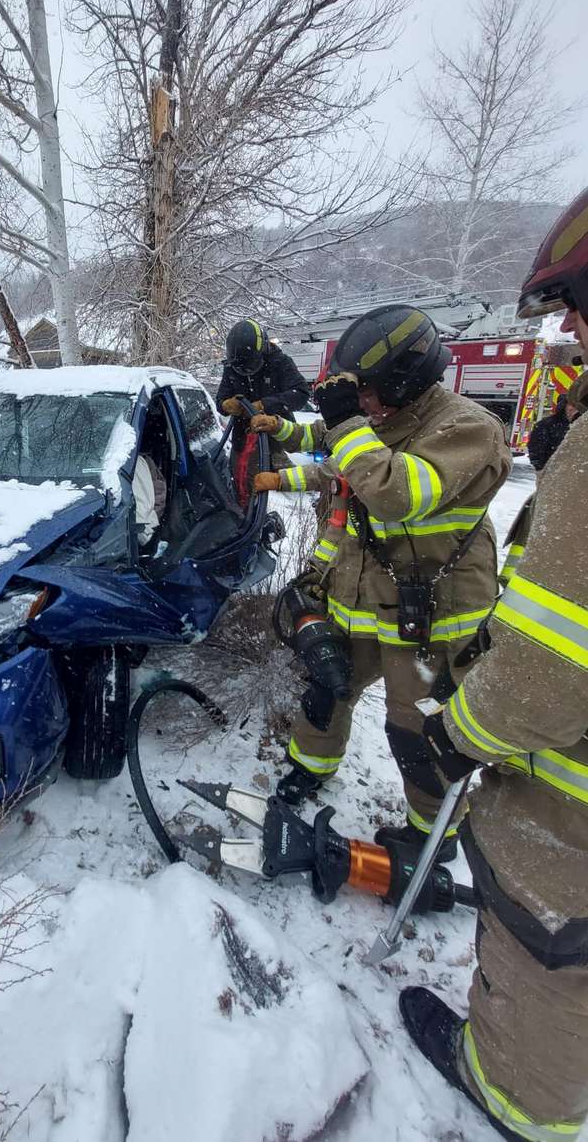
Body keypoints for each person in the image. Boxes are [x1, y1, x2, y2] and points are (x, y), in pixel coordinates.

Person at [399, 188, 588, 1142]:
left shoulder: (464, 424)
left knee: (547, 925)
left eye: (576, 310)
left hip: (568, 785)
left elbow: (555, 655)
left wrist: (462, 731)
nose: (573, 334)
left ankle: (514, 1096)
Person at [250, 305, 511, 859]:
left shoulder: (468, 429)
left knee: (416, 729)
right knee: (328, 688)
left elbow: (393, 491)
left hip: (430, 619)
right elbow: (337, 454)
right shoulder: (384, 421)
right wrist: (292, 445)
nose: (363, 403)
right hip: (360, 597)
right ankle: (309, 768)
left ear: (405, 380)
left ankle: (429, 831)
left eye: (369, 392)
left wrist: (346, 426)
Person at [217, 320, 310, 478]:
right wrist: (226, 405)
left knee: (269, 484)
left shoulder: (279, 363)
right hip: (242, 438)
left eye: (248, 366)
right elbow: (220, 400)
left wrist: (263, 405)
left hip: (275, 438)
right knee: (239, 480)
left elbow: (300, 393)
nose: (245, 371)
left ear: (262, 351)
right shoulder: (232, 367)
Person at [526, 393, 577, 473]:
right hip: (551, 472)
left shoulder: (580, 426)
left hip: (574, 474)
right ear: (563, 406)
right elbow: (535, 448)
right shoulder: (546, 425)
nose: (574, 408)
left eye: (577, 406)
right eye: (571, 405)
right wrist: (541, 468)